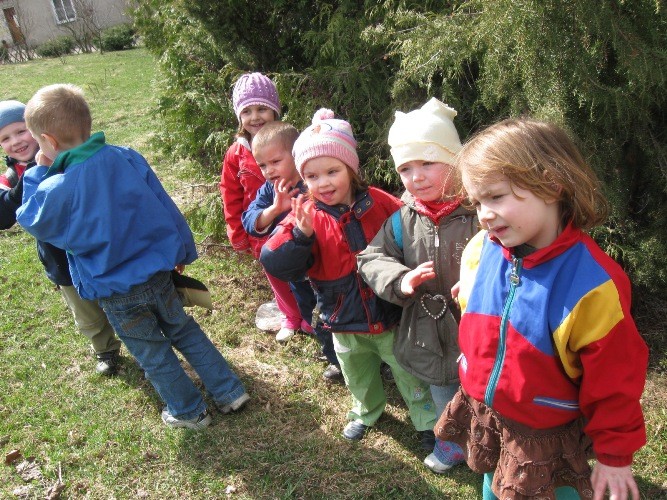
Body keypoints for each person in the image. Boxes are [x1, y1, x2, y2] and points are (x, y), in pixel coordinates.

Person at [435, 118, 648, 499]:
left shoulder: (593, 285)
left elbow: (615, 380)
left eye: (495, 197)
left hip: (545, 435)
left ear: (551, 185)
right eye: (477, 201)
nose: (483, 214)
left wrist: (615, 455)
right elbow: (475, 305)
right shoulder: (482, 248)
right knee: (494, 484)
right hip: (490, 413)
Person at [17, 84, 250, 429]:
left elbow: (31, 217)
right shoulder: (125, 156)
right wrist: (183, 250)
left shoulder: (60, 185)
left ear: (48, 141)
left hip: (115, 289)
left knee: (152, 352)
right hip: (158, 274)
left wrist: (38, 171)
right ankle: (230, 391)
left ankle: (189, 412)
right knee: (184, 330)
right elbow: (164, 203)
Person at [260, 108, 436, 444]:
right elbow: (274, 259)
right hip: (342, 318)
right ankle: (366, 411)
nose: (323, 183)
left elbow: (413, 228)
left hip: (389, 314)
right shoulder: (305, 214)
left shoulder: (379, 202)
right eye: (312, 176)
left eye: (332, 171)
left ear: (350, 169)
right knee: (356, 374)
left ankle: (426, 420)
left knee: (409, 371)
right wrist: (301, 236)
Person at [357, 98, 478, 473]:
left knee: (484, 389)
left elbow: (509, 253)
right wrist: (400, 279)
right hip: (427, 327)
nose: (416, 177)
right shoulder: (401, 219)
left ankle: (489, 442)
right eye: (406, 168)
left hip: (476, 324)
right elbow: (371, 258)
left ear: (455, 160)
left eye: (428, 163)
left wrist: (480, 280)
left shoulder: (480, 211)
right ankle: (452, 443)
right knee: (442, 387)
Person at [0, 99, 122, 375]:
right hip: (59, 259)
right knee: (85, 311)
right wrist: (29, 178)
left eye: (20, 131)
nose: (15, 141)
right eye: (5, 138)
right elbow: (3, 215)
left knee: (118, 296)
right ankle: (105, 348)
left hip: (96, 246)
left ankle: (143, 339)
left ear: (37, 129)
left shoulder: (66, 154)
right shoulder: (10, 178)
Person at [241, 121, 342, 381]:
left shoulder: (313, 183)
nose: (269, 170)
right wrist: (275, 209)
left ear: (296, 155)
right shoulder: (269, 190)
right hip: (296, 268)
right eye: (262, 165)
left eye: (275, 161)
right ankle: (332, 356)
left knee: (334, 309)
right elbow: (250, 221)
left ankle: (346, 351)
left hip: (326, 265)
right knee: (310, 309)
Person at [219, 72, 306, 343]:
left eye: (262, 109)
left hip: (296, 224)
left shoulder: (289, 141)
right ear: (239, 116)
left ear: (274, 110)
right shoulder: (236, 153)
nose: (255, 117)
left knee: (303, 274)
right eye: (247, 111)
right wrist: (237, 234)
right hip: (261, 227)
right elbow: (230, 195)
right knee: (276, 275)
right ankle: (290, 316)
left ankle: (309, 315)